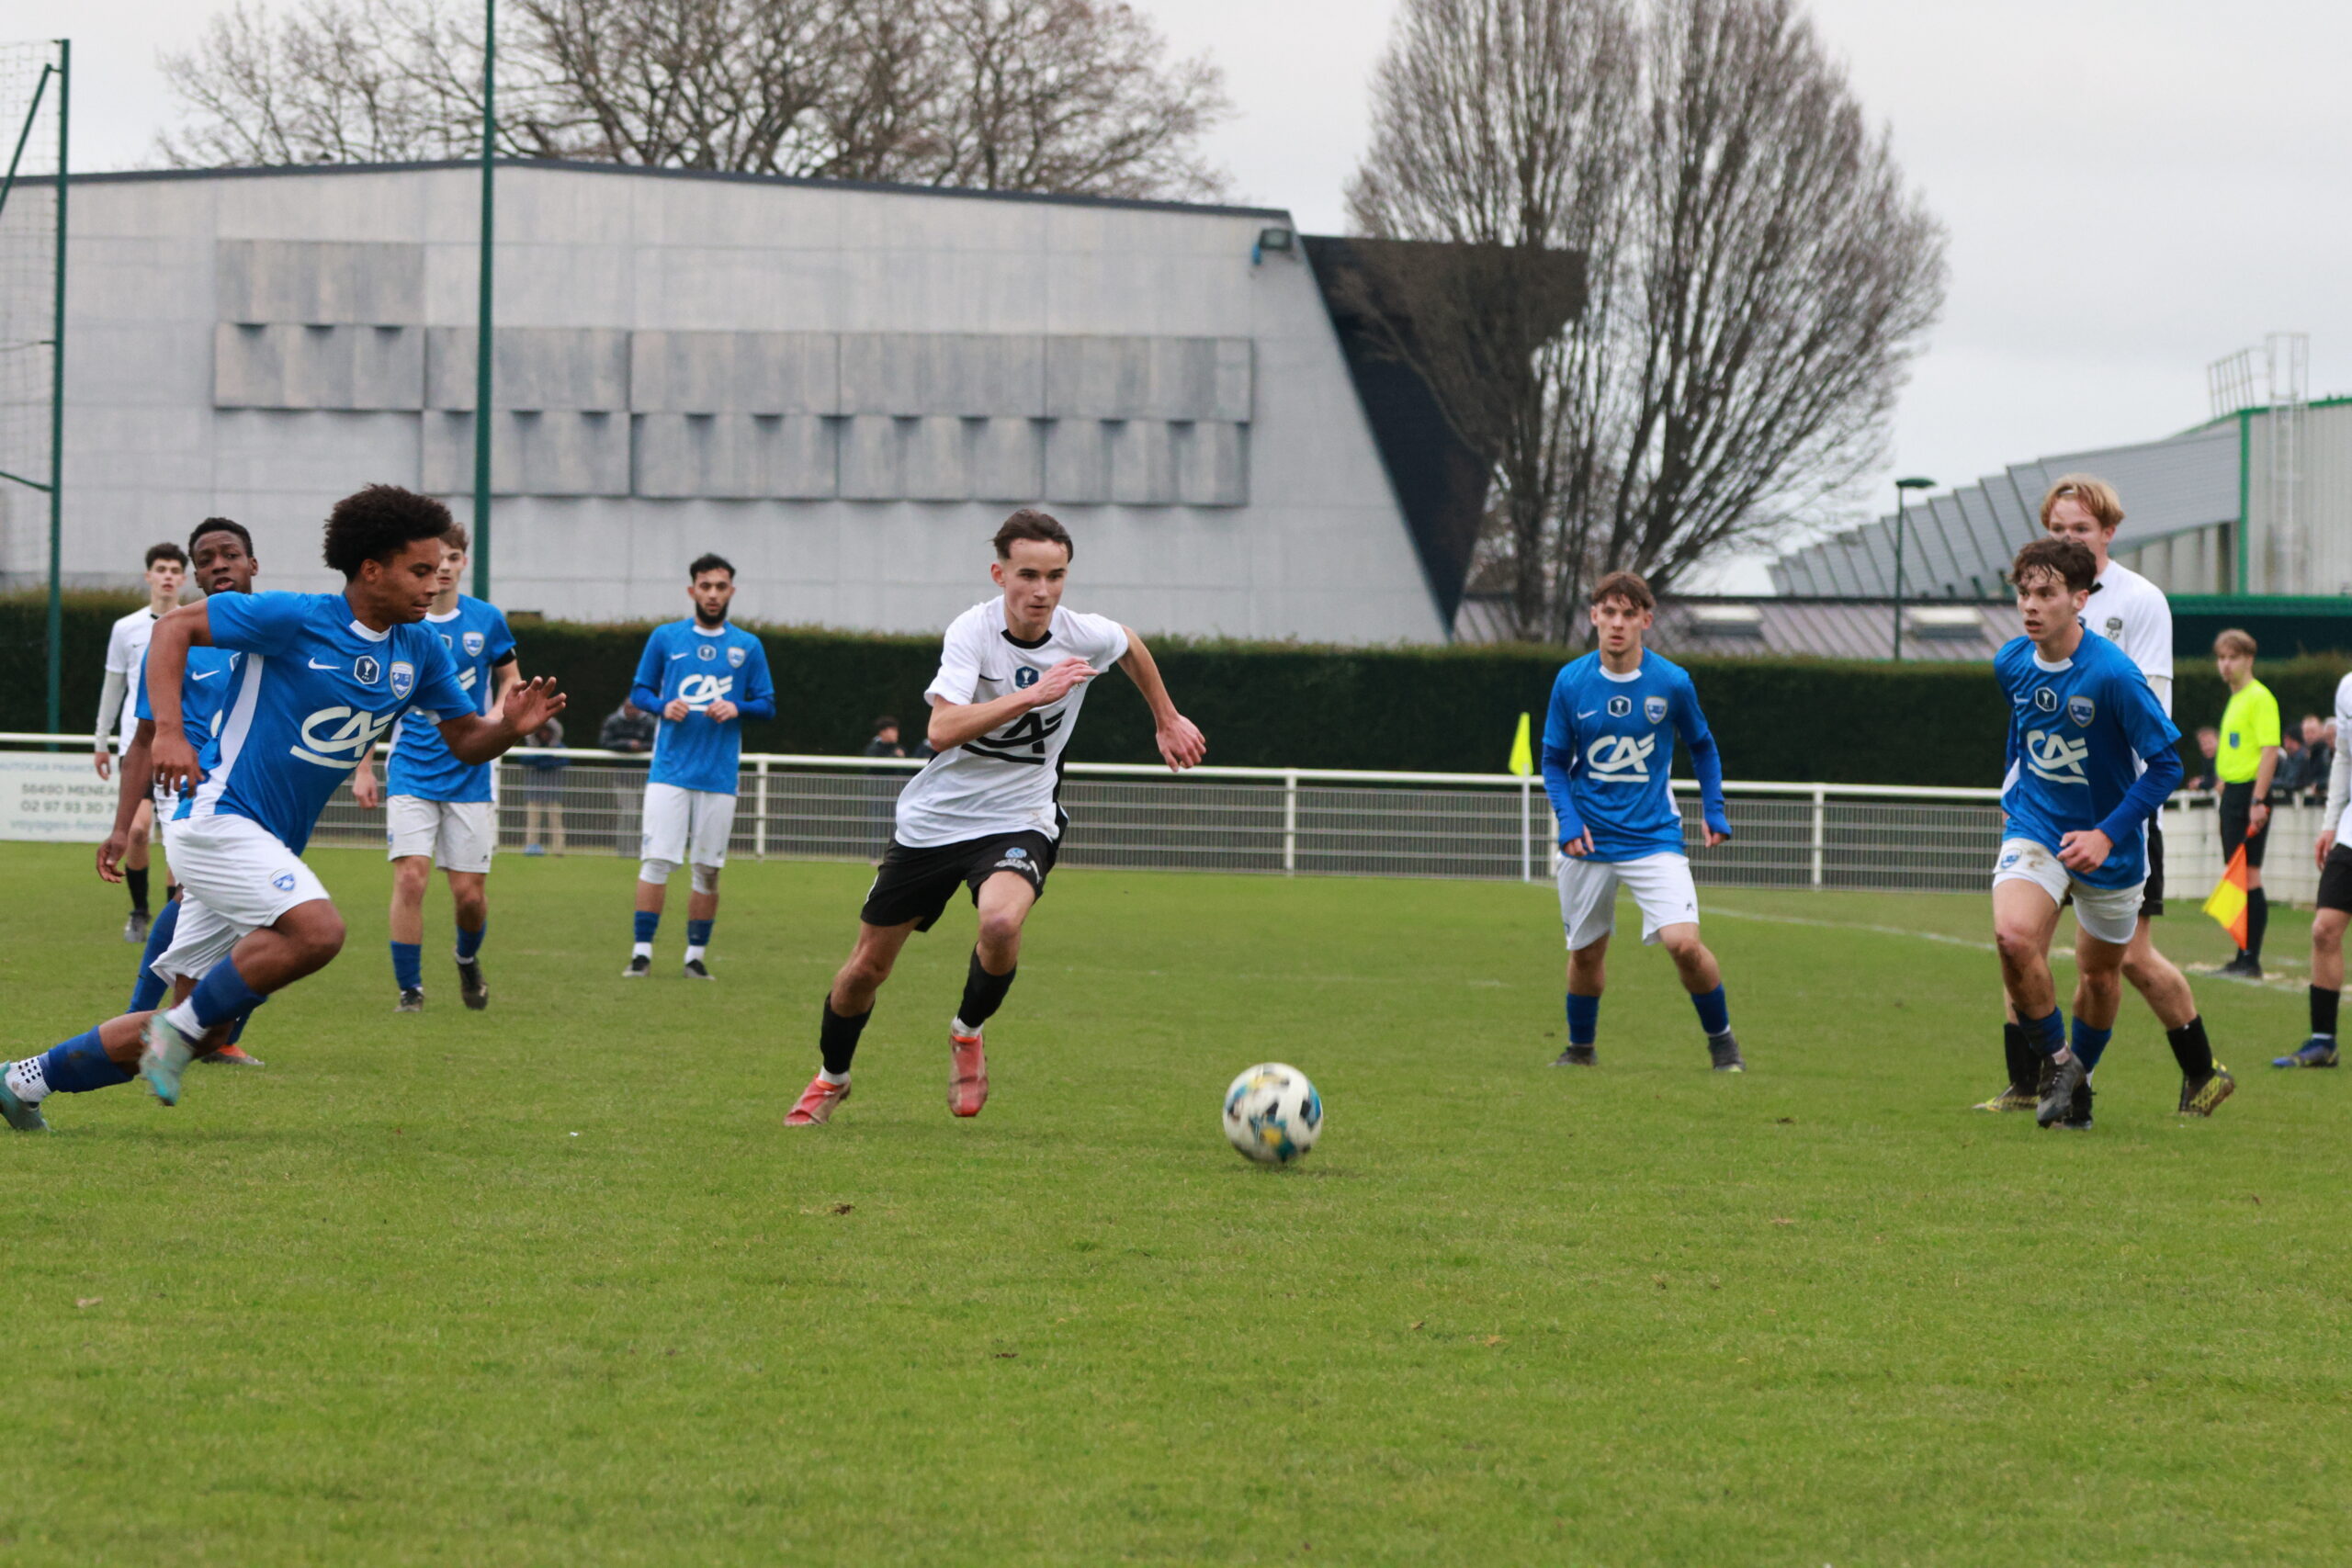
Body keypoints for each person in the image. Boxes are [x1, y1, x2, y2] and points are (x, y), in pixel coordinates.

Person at [0, 484, 563, 1134]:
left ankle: (23, 1080)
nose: (434, 583)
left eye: (438, 570)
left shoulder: (420, 649)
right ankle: (176, 1033)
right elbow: (174, 629)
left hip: (265, 841)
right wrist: (173, 734)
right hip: (217, 817)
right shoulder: (295, 617)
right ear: (371, 569)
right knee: (318, 932)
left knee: (209, 1028)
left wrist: (508, 728)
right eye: (419, 570)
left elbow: (465, 740)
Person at [784, 509, 1206, 1126]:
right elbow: (940, 729)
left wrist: (1166, 718)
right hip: (935, 821)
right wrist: (1032, 694)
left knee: (1002, 922)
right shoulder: (972, 632)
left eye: (1055, 576)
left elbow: (1130, 644)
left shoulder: (1082, 633)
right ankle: (833, 1076)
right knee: (864, 971)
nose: (1042, 591)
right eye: (1028, 575)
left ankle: (967, 1031)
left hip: (1020, 814)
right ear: (999, 574)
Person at [1977, 475, 2225, 1124]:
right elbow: (2024, 722)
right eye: (2024, 593)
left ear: (2080, 598)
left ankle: (2168, 1074)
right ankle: (2050, 1074)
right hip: (2038, 821)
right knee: (2014, 939)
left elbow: (2163, 758)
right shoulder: (2011, 660)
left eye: (2045, 593)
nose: (2031, 605)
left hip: (2116, 826)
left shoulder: (2119, 659)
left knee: (2107, 970)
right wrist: (2012, 788)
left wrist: (2109, 831)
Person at [1539, 570, 1744, 1074]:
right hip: (1589, 839)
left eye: (1629, 614)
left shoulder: (1671, 682)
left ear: (1646, 621)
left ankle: (1723, 1044)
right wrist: (1568, 820)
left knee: (1684, 945)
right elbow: (1553, 762)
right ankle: (1580, 1050)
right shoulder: (1571, 681)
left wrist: (1713, 808)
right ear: (1594, 616)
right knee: (1586, 954)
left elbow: (1702, 746)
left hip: (1654, 836)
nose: (1617, 623)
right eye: (1609, 612)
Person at [99, 519, 268, 1069]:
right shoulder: (177, 638)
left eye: (231, 555)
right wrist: (122, 828)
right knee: (218, 903)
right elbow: (144, 738)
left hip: (263, 797)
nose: (219, 565)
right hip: (193, 792)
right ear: (198, 575)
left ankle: (195, 1031)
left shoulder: (281, 633)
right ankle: (154, 1024)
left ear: (252, 564)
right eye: (207, 559)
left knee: (252, 916)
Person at [350, 525, 520, 1012]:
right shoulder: (404, 622)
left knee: (469, 897)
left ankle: (466, 959)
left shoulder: (487, 620)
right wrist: (364, 768)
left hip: (470, 771)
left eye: (454, 557)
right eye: (436, 558)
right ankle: (411, 990)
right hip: (412, 768)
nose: (444, 567)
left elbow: (511, 678)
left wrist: (497, 718)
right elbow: (375, 700)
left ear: (464, 562)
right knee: (411, 879)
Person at [622, 554, 775, 979]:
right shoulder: (666, 638)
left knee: (707, 868)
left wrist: (737, 706)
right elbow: (640, 691)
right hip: (669, 771)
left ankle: (694, 956)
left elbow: (767, 705)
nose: (712, 594)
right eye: (705, 586)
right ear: (692, 590)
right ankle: (641, 953)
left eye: (720, 586)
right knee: (656, 861)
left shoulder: (747, 646)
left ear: (731, 591)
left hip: (719, 775)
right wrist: (661, 705)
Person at [93, 543, 190, 941]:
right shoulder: (126, 628)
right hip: (137, 745)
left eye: (174, 570)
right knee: (136, 830)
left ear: (183, 579)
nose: (167, 576)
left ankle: (173, 919)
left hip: (177, 745)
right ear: (149, 575)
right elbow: (113, 687)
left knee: (177, 837)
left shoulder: (193, 625)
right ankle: (138, 911)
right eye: (161, 569)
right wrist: (101, 740)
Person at [2280, 678, 2352, 1067]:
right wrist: (2330, 824)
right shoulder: (2347, 688)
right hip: (2350, 833)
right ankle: (2323, 1042)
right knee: (2324, 929)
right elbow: (2344, 758)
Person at [2212, 628, 2280, 977]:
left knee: (2249, 873)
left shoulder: (2259, 697)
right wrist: (2224, 780)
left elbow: (2269, 751)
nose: (2225, 665)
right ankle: (2241, 955)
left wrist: (2258, 799)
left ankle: (2250, 959)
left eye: (2233, 657)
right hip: (2234, 794)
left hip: (2251, 794)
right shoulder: (2236, 698)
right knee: (2236, 874)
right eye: (2221, 658)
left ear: (2249, 659)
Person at [517, 716, 568, 855]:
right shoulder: (531, 747)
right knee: (533, 821)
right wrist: (547, 759)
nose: (544, 734)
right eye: (542, 731)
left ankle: (558, 849)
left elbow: (565, 760)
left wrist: (542, 762)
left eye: (547, 731)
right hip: (534, 789)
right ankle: (531, 846)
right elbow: (524, 759)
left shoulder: (559, 747)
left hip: (554, 789)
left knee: (555, 820)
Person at [2185, 727, 2221, 792]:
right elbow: (2210, 778)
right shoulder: (2207, 760)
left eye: (2210, 743)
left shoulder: (2224, 758)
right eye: (2203, 744)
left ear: (2219, 742)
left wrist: (2199, 784)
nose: (2207, 747)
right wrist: (2202, 780)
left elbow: (2214, 781)